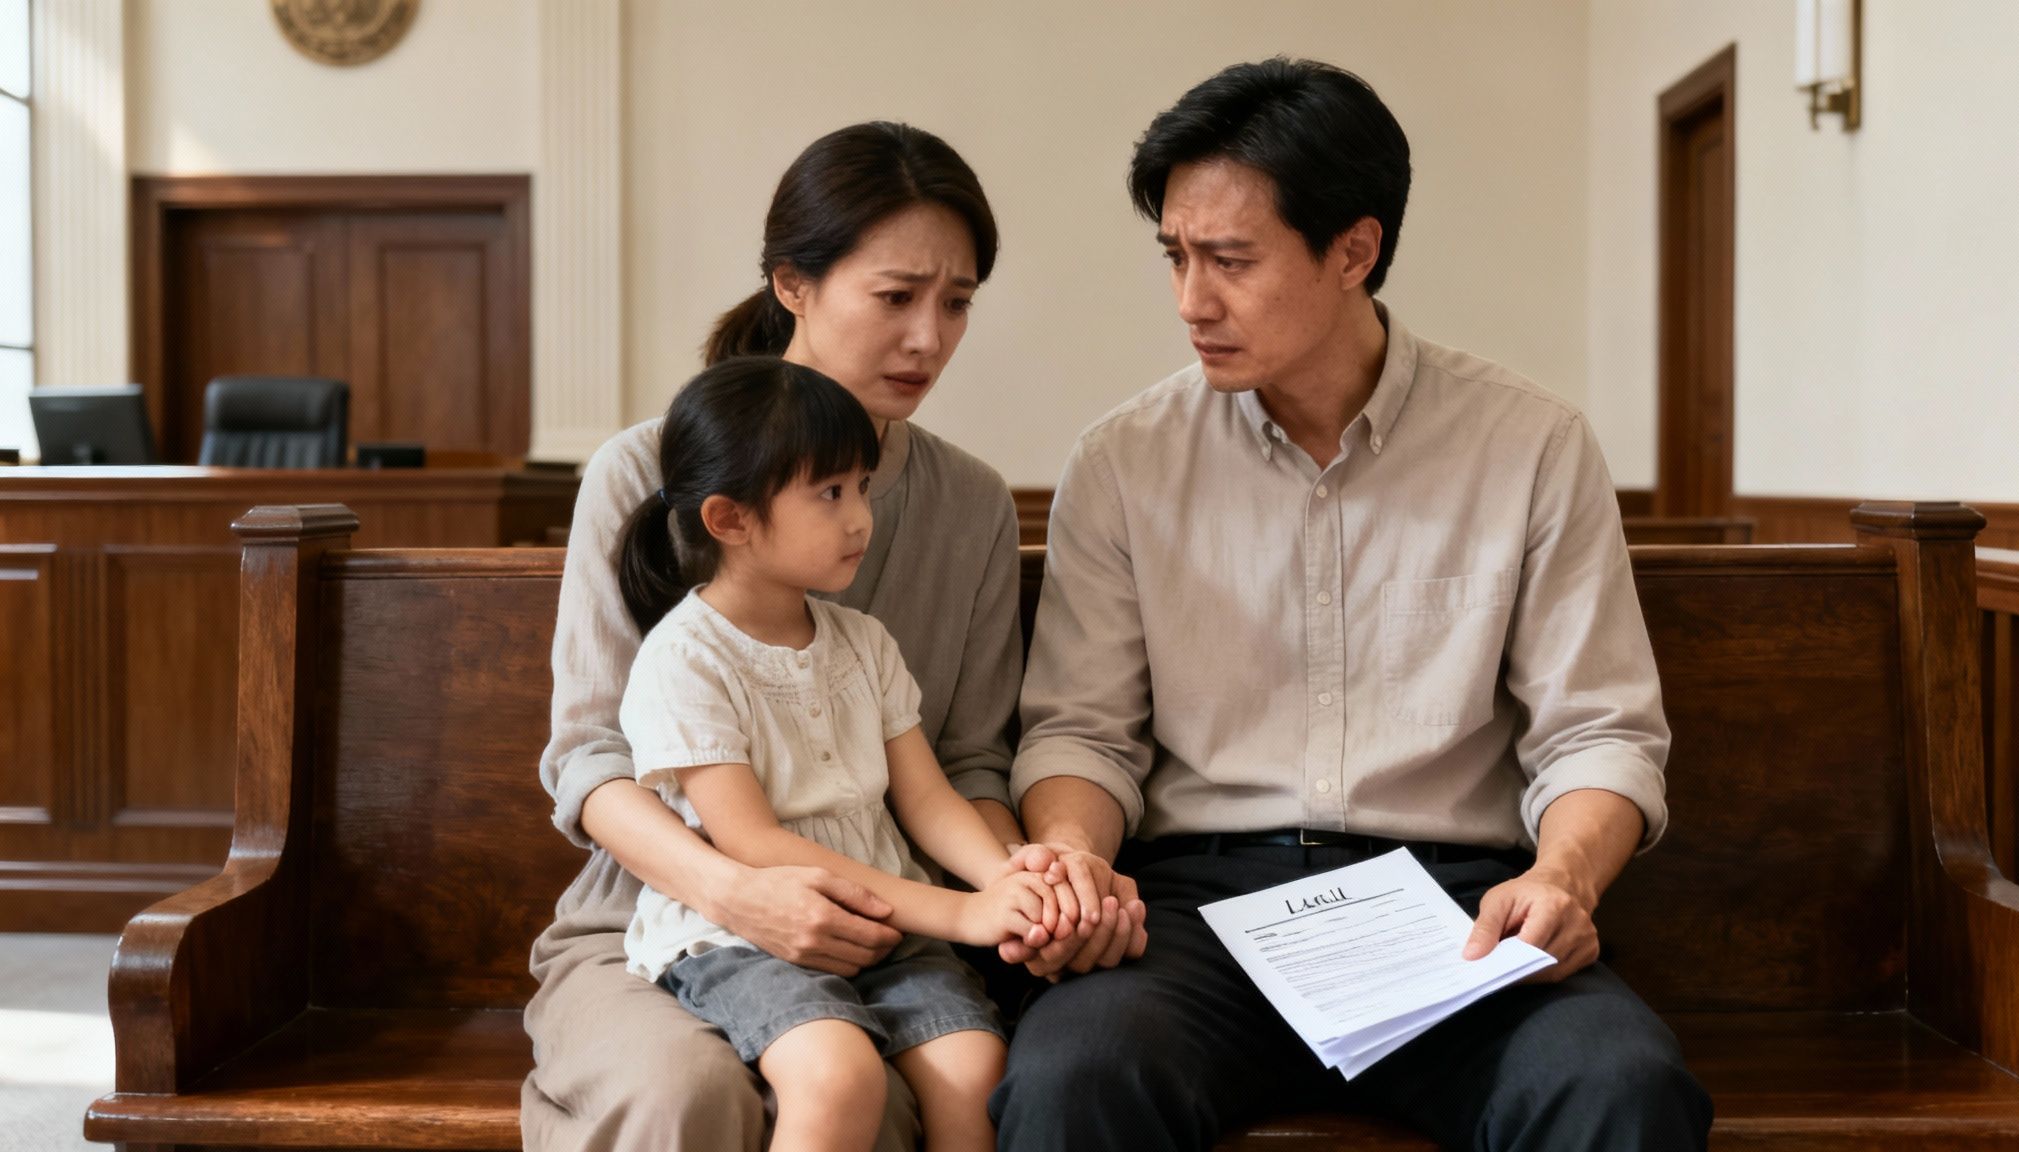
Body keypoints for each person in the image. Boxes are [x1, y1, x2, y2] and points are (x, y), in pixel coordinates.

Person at [990, 58, 1715, 1150]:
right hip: (1198, 912)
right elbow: (1081, 731)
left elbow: (1598, 734)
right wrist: (1079, 858)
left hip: (1447, 908)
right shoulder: (1126, 461)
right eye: (1175, 257)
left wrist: (1559, 879)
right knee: (1071, 1074)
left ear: (1353, 251)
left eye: (1229, 260)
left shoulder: (1527, 446)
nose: (1191, 301)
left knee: (1616, 1082)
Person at [522, 122, 1125, 1151]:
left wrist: (1021, 884)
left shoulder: (969, 502)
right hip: (654, 922)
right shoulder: (646, 470)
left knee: (943, 1083)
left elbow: (966, 762)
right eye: (895, 298)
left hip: (893, 928)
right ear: (793, 284)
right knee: (688, 1099)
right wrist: (736, 889)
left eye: (957, 303)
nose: (928, 339)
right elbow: (590, 763)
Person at [613, 357, 1071, 1152]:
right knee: (837, 1076)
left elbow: (927, 801)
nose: (861, 517)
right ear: (730, 519)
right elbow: (751, 843)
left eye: (861, 487)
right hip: (748, 940)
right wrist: (961, 913)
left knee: (976, 1069)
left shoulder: (864, 644)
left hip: (885, 934)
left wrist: (1006, 879)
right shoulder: (685, 658)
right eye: (830, 494)